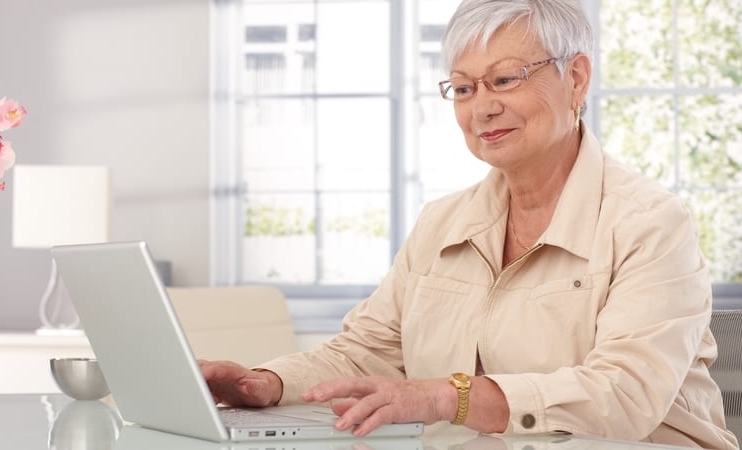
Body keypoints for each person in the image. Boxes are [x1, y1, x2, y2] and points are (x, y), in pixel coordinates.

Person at [200, 1, 739, 448]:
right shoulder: (441, 223)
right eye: (463, 88)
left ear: (576, 78)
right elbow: (365, 351)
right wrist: (266, 383)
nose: (481, 109)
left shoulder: (651, 224)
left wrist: (447, 396)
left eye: (504, 79)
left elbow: (623, 396)